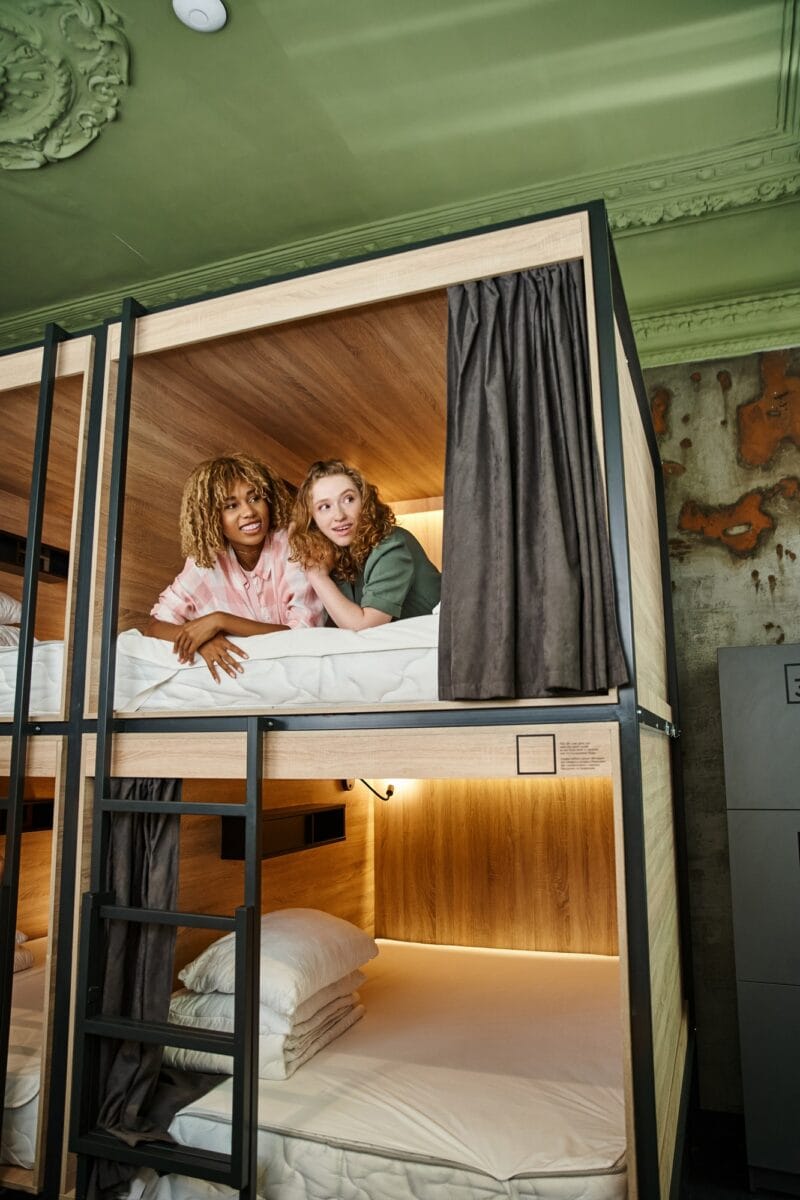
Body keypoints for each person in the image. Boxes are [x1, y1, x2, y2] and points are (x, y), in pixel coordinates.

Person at [146, 453, 324, 680]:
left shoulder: (292, 544)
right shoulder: (206, 561)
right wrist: (203, 639)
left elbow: (302, 636)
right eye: (231, 505)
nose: (249, 512)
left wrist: (221, 622)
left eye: (255, 498)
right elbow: (154, 625)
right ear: (210, 517)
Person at [289, 459, 441, 631]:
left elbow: (364, 627)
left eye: (348, 499)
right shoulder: (333, 554)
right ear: (313, 519)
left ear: (365, 502)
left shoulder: (393, 545)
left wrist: (316, 576)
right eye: (325, 506)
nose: (339, 515)